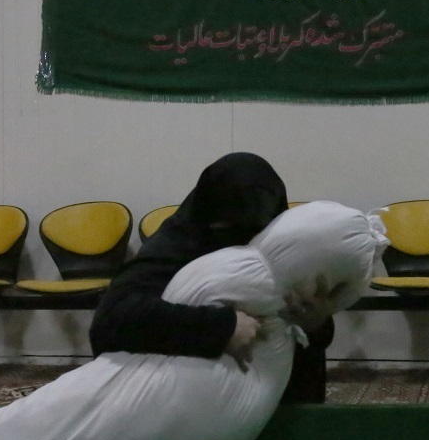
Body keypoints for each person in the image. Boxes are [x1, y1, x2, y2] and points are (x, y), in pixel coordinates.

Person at [89, 152, 334, 403]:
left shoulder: (280, 244)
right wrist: (223, 327)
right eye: (232, 229)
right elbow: (112, 319)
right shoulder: (178, 243)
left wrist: (316, 323)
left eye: (257, 230)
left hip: (279, 395)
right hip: (197, 397)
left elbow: (317, 334)